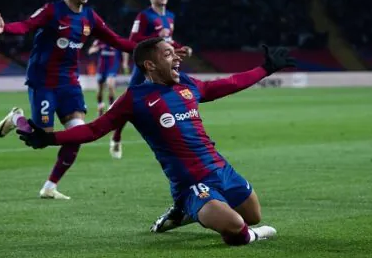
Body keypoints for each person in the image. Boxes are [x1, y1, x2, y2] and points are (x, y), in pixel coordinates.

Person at [16, 37, 296, 245]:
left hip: (221, 169)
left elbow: (227, 84)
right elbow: (93, 130)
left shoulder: (187, 84)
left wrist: (266, 68)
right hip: (190, 184)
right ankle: (222, 221)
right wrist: (49, 138)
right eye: (168, 54)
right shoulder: (134, 99)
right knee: (237, 228)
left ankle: (188, 214)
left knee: (254, 214)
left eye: (175, 54)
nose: (177, 58)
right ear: (150, 64)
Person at [0, 0, 136, 200]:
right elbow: (27, 25)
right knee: (40, 140)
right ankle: (16, 118)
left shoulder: (90, 17)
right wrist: (5, 27)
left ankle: (49, 186)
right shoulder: (52, 11)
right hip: (43, 81)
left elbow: (117, 40)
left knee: (76, 135)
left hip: (69, 83)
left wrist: (149, 47)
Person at [110, 0, 192, 158]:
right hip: (145, 66)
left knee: (176, 97)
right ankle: (116, 136)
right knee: (129, 101)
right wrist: (156, 38)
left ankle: (177, 138)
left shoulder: (170, 16)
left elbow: (168, 41)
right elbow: (132, 42)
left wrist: (181, 46)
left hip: (164, 67)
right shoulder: (144, 16)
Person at [87, 39, 127, 119]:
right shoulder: (98, 41)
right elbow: (90, 51)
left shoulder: (115, 40)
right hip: (101, 69)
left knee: (110, 84)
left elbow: (124, 50)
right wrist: (96, 49)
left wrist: (124, 63)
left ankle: (111, 107)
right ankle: (100, 106)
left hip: (112, 68)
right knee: (99, 90)